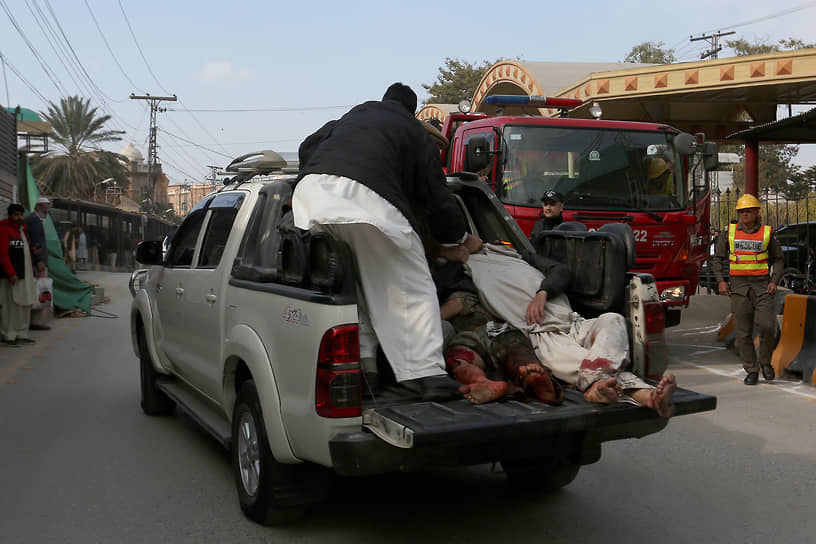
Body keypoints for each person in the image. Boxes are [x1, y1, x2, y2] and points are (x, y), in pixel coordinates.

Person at [292, 82, 482, 401]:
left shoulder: (351, 118)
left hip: (311, 195)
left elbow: (307, 145)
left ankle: (367, 369)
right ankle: (426, 374)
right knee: (411, 282)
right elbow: (437, 194)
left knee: (360, 285)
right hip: (364, 197)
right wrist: (459, 237)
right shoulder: (412, 131)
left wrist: (311, 174)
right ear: (412, 110)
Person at [461, 243, 677, 417]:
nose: (468, 236)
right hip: (544, 335)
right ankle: (646, 396)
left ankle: (597, 382)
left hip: (574, 322)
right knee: (582, 361)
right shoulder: (462, 269)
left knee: (613, 320)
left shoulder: (515, 254)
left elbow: (561, 271)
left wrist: (543, 292)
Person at [712, 193, 783, 385]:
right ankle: (751, 369)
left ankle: (766, 362)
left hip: (762, 287)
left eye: (748, 211)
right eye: (741, 211)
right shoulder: (730, 232)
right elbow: (717, 258)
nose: (744, 214)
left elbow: (778, 259)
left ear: (756, 212)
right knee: (743, 332)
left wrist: (774, 280)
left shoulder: (767, 233)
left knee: (768, 326)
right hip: (739, 288)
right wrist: (721, 280)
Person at [1, 204, 37, 347]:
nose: (19, 217)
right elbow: (3, 255)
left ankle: (22, 333)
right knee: (11, 305)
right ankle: (9, 335)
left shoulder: (22, 231)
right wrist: (11, 273)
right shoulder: (4, 230)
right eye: (16, 215)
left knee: (24, 303)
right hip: (12, 276)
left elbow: (22, 251)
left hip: (25, 274)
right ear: (9, 215)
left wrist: (33, 253)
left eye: (21, 215)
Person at [24, 197, 52, 331]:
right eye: (45, 208)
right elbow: (36, 242)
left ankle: (35, 320)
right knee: (39, 291)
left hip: (36, 260)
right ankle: (35, 321)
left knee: (38, 290)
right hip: (37, 262)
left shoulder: (34, 219)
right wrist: (39, 260)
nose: (47, 211)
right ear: (38, 207)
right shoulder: (34, 220)